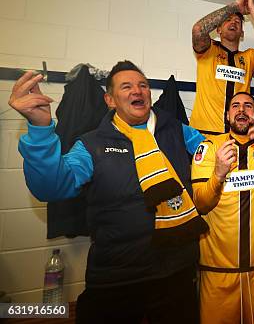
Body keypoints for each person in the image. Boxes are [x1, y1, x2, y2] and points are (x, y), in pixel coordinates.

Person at [8, 61, 208, 323]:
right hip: (116, 280)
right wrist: (40, 129)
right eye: (126, 86)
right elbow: (52, 186)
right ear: (110, 100)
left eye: (143, 85)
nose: (138, 91)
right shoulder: (91, 145)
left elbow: (212, 153)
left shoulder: (177, 130)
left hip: (177, 274)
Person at [191, 92, 254, 323]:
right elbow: (201, 205)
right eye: (235, 106)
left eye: (248, 106)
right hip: (218, 272)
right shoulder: (209, 147)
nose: (241, 110)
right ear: (227, 114)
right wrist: (218, 174)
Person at [190, 0, 254, 136]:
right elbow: (198, 30)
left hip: (238, 133)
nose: (233, 23)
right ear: (218, 30)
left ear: (242, 33)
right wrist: (234, 7)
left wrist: (252, 11)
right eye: (228, 20)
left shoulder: (248, 57)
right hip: (203, 132)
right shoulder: (207, 50)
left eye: (238, 22)